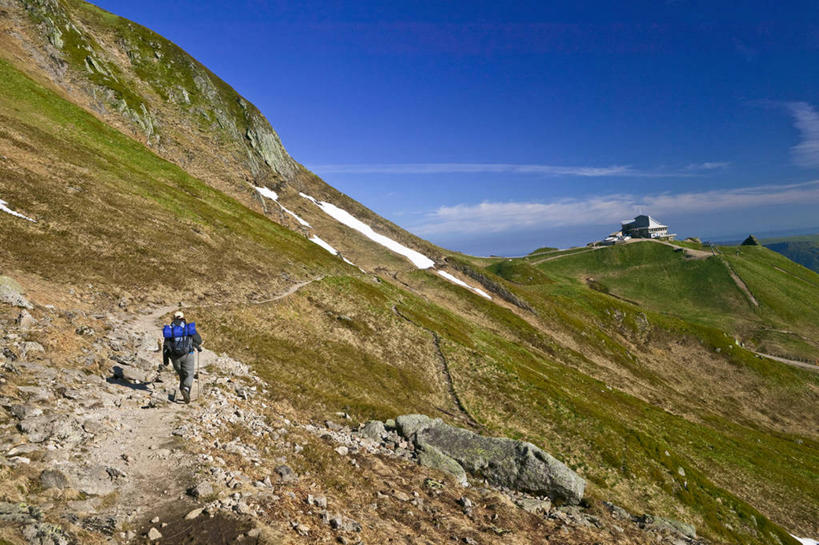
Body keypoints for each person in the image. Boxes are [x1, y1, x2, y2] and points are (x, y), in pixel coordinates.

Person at [162, 311, 203, 403]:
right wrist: (194, 344)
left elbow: (165, 346)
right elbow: (199, 340)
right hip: (188, 354)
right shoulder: (187, 328)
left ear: (174, 318)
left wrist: (165, 360)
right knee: (189, 374)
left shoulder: (170, 330)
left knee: (182, 374)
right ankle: (185, 389)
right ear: (183, 317)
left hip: (174, 357)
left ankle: (184, 390)